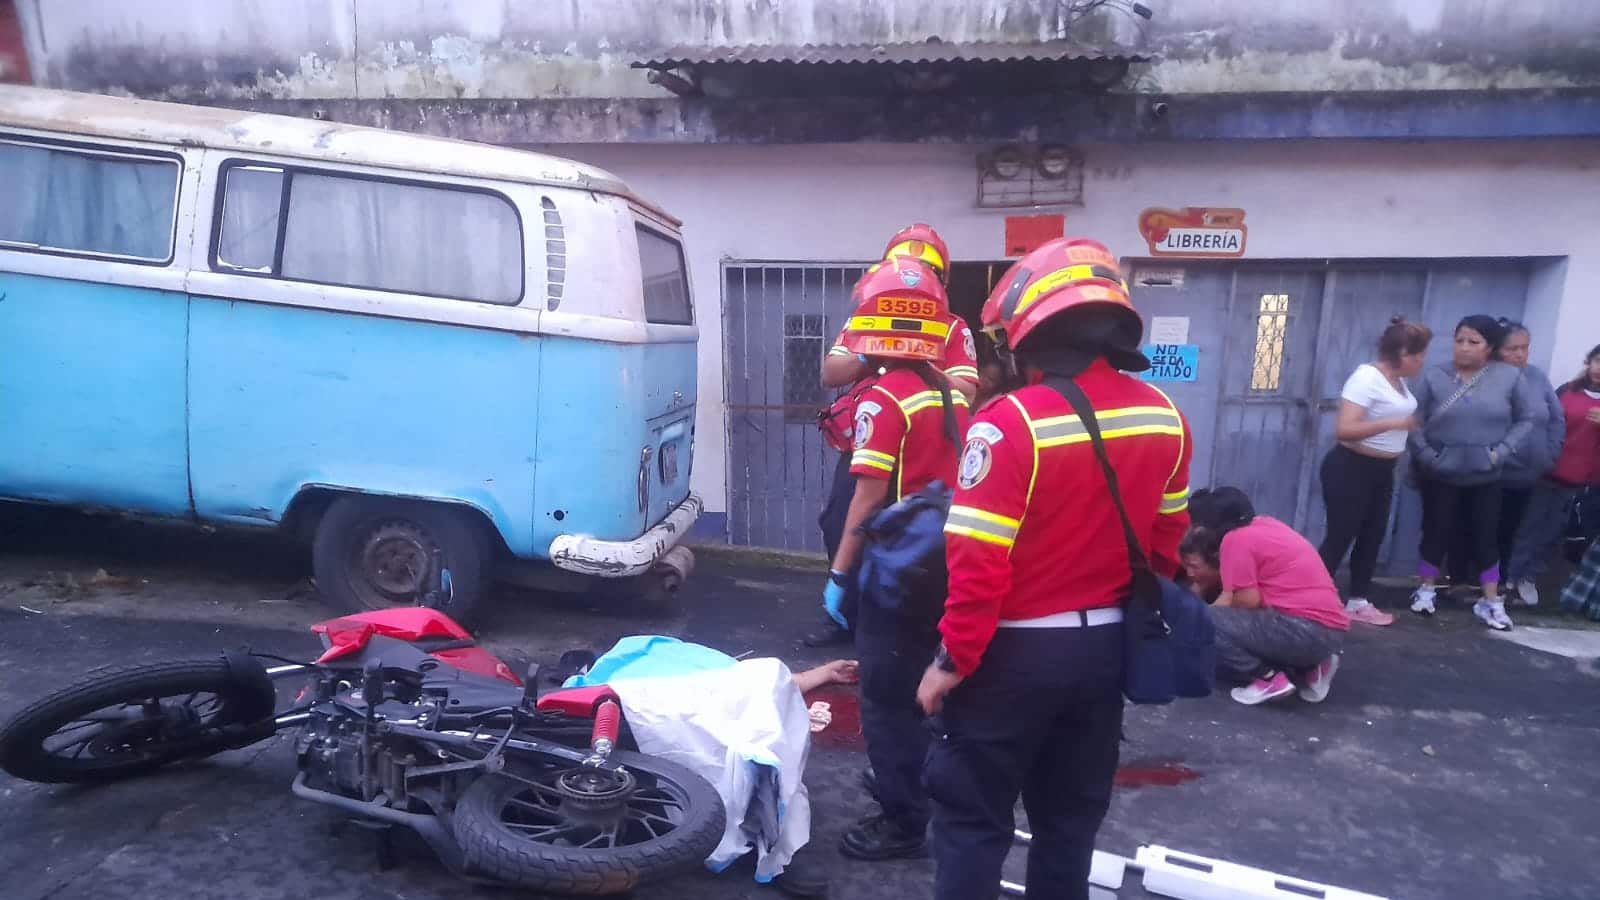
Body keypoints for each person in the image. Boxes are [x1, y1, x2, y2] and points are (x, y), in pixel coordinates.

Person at [915, 238, 1191, 900]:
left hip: (1013, 656)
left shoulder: (1005, 425)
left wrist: (950, 663)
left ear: (1031, 334)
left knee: (973, 823)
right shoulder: (1166, 415)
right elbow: (1165, 548)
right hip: (1104, 656)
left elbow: (978, 569)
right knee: (1069, 827)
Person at [818, 255, 969, 861]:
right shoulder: (951, 395)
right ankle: (936, 790)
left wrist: (838, 573)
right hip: (947, 559)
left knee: (885, 700)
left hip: (896, 571)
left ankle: (904, 819)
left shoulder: (882, 401)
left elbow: (868, 494)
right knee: (933, 690)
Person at [807, 223, 980, 649]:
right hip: (866, 445)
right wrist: (873, 346)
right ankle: (844, 613)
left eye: (925, 269)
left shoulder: (953, 329)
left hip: (922, 443)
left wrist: (913, 354)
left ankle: (907, 616)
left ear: (940, 280)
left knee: (914, 533)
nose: (916, 277)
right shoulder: (864, 320)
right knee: (840, 522)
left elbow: (967, 391)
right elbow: (831, 374)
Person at [1407, 315, 1544, 630]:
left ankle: (1490, 600)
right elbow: (1413, 419)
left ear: (1490, 347)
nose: (1464, 348)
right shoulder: (1435, 376)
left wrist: (1501, 452)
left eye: (1473, 342)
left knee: (1486, 538)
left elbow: (1527, 418)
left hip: (1487, 474)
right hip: (1441, 473)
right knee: (1435, 532)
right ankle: (1425, 590)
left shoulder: (1508, 377)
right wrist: (1428, 455)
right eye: (1459, 341)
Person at [1183, 488, 1348, 706]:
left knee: (1203, 621)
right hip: (1330, 632)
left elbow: (1247, 600)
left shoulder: (1235, 539)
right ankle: (1314, 666)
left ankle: (1267, 679)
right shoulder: (1267, 524)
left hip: (1305, 631)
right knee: (1238, 622)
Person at [1316, 316, 1432, 626]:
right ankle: (1312, 598)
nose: (1422, 361)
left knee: (1372, 535)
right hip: (1350, 468)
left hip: (1382, 470)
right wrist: (1394, 424)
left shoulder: (1400, 383)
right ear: (1404, 353)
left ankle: (1357, 600)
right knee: (1341, 535)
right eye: (1419, 355)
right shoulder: (1366, 378)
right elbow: (1345, 429)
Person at [1508, 343, 1600, 605]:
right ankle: (1510, 578)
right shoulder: (1566, 392)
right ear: (1588, 361)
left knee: (1554, 534)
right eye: (1597, 361)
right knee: (1528, 527)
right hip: (1548, 472)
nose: (1599, 369)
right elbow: (1544, 425)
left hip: (1584, 483)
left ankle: (1529, 578)